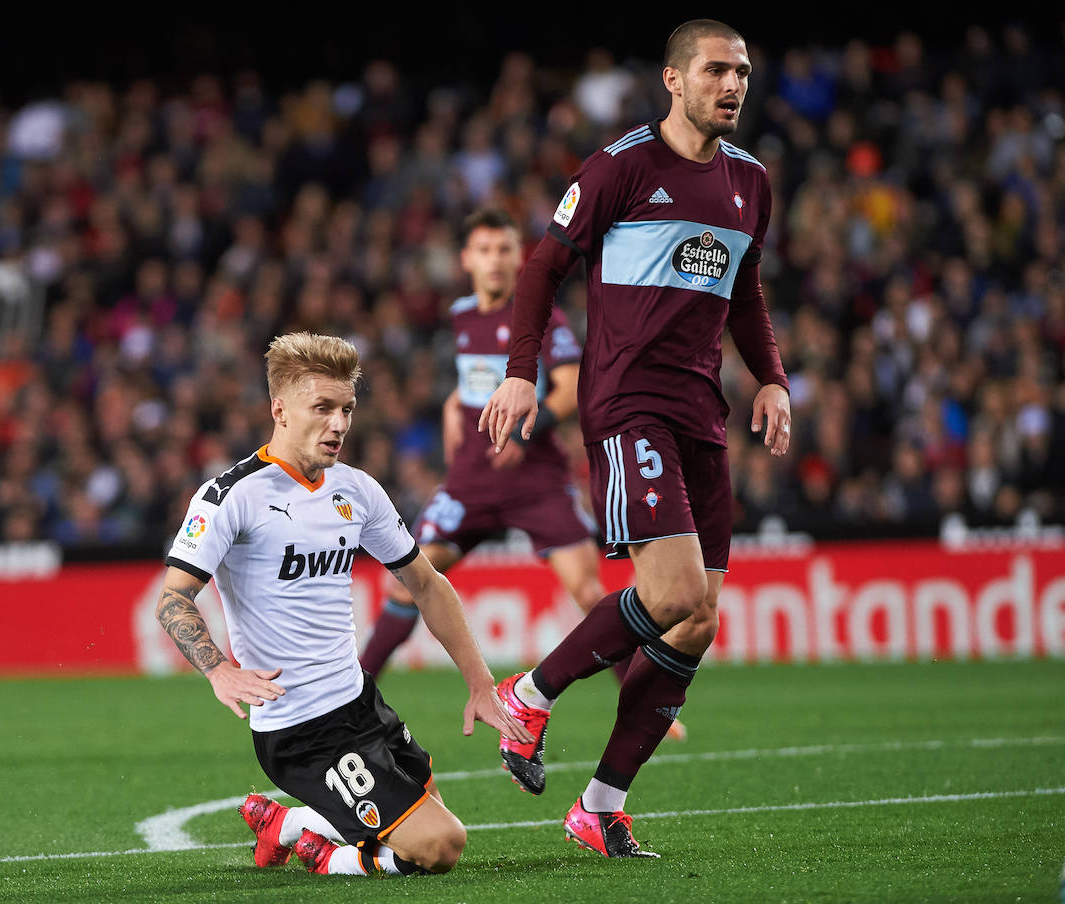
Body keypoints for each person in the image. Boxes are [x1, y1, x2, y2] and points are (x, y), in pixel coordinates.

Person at [479, 19, 792, 859]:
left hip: (702, 413)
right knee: (676, 593)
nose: (733, 85)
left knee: (697, 623)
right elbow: (544, 267)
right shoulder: (621, 166)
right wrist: (522, 370)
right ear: (673, 79)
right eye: (717, 70)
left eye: (744, 73)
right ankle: (530, 693)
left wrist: (771, 378)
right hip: (627, 404)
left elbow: (747, 291)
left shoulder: (751, 183)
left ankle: (600, 805)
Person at [157, 331, 532, 877]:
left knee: (427, 814)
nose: (339, 424)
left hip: (360, 702)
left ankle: (283, 826)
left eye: (348, 409)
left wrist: (480, 683)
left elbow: (428, 584)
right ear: (279, 411)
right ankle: (324, 855)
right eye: (323, 408)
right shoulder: (232, 495)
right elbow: (173, 597)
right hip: (298, 727)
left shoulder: (355, 490)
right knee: (439, 847)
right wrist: (218, 670)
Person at [357, 207, 685, 743]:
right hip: (471, 480)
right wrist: (450, 407)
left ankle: (641, 700)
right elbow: (473, 382)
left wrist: (524, 431)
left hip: (536, 480)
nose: (494, 260)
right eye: (484, 250)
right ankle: (356, 694)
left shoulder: (540, 317)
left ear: (519, 257)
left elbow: (569, 387)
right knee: (409, 580)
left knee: (585, 590)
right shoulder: (462, 316)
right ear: (466, 259)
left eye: (504, 249)